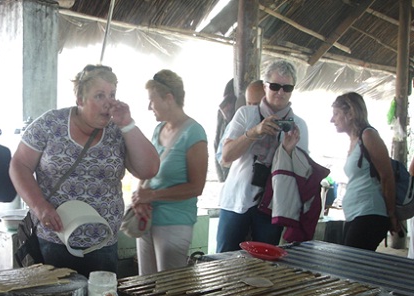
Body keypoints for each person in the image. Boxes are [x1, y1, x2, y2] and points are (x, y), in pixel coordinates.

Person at [9, 64, 159, 277]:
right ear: (80, 100)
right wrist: (40, 206)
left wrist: (127, 123)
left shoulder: (119, 131)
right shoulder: (50, 124)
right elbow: (19, 165)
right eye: (99, 96)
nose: (109, 102)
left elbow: (149, 169)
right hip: (54, 237)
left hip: (103, 243)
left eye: (112, 94)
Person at [216, 60, 309, 253]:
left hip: (272, 205)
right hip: (236, 201)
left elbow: (303, 174)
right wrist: (254, 133)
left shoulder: (298, 125)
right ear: (265, 86)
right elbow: (225, 158)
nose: (280, 92)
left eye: (287, 87)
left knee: (264, 264)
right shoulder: (245, 114)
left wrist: (288, 151)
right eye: (275, 86)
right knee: (223, 261)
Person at [131, 70, 208, 275]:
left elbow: (196, 187)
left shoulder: (194, 133)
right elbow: (147, 170)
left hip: (174, 221)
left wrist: (153, 195)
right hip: (147, 219)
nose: (149, 107)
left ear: (169, 98)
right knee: (144, 284)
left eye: (152, 100)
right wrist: (140, 197)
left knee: (168, 288)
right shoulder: (159, 130)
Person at [331, 92, 398, 250]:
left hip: (370, 213)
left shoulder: (368, 135)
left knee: (353, 265)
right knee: (352, 264)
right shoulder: (355, 140)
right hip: (356, 214)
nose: (332, 119)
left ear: (351, 114)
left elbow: (387, 176)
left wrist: (391, 214)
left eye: (336, 114)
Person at [215, 80, 265, 166]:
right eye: (249, 104)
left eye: (256, 104)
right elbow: (221, 158)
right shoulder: (238, 121)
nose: (252, 109)